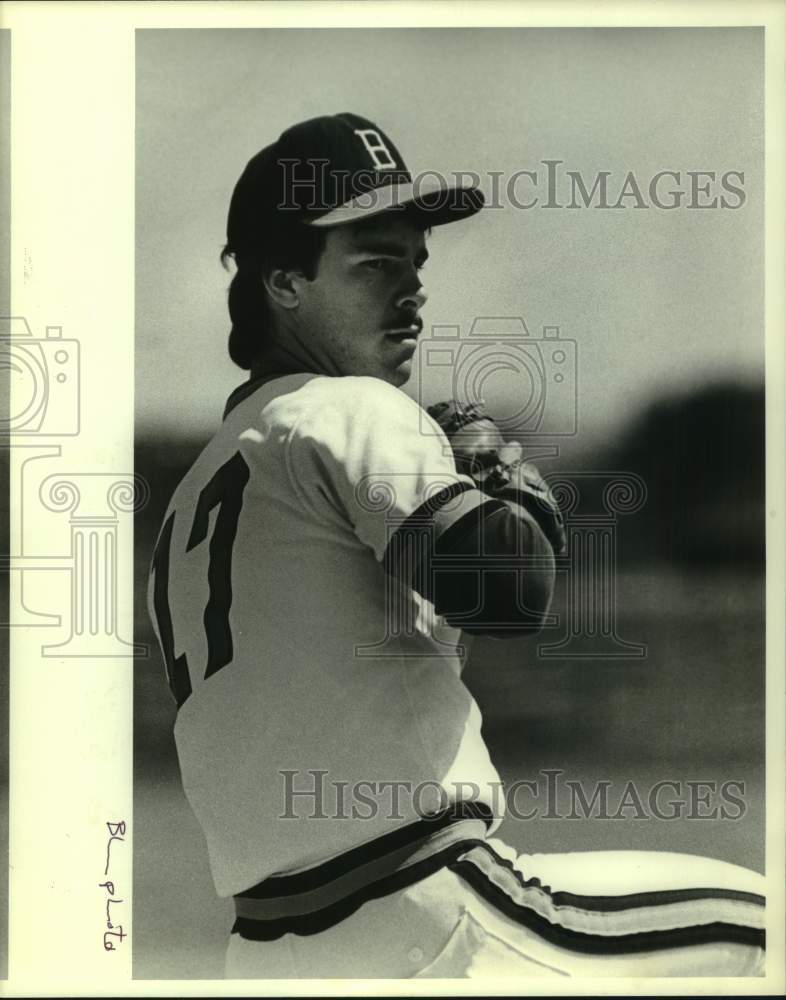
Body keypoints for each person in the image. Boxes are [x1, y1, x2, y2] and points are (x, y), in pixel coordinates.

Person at [148, 112, 765, 979]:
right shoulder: (347, 407)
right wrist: (506, 489)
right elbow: (508, 592)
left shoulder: (199, 490)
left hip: (271, 952)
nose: (411, 288)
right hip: (433, 906)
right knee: (762, 928)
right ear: (284, 280)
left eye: (415, 261)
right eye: (374, 261)